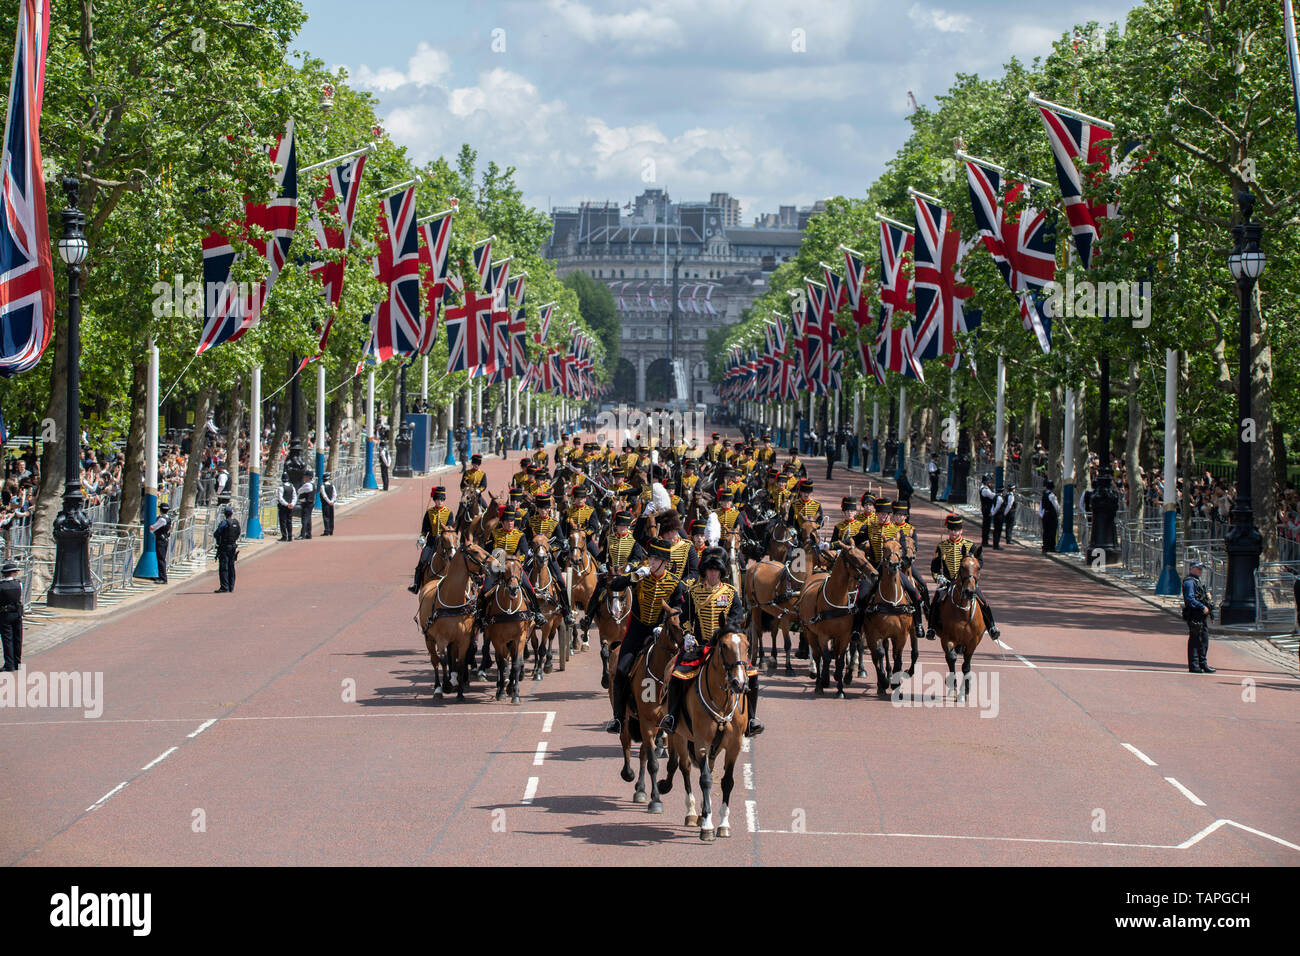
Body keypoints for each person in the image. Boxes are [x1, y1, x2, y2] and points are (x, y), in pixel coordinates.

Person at [656, 547, 763, 744]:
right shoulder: (694, 593)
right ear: (705, 572)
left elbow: (737, 617)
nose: (713, 574)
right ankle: (671, 717)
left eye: (716, 571)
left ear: (721, 573)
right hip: (700, 646)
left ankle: (751, 720)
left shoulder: (730, 593)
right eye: (710, 571)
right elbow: (686, 617)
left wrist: (726, 633)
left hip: (727, 648)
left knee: (752, 676)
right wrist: (688, 634)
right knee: (677, 673)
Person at [603, 538, 688, 735]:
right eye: (650, 558)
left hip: (662, 633)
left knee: (680, 671)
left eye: (656, 560)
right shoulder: (640, 575)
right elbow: (615, 585)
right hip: (637, 630)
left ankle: (677, 715)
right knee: (621, 670)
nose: (651, 562)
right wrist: (632, 577)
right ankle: (618, 717)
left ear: (665, 563)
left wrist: (664, 624)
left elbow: (679, 608)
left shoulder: (675, 583)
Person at [926, 513, 999, 641]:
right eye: (952, 530)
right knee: (936, 601)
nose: (954, 532)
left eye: (957, 530)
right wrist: (939, 578)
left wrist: (972, 575)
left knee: (983, 601)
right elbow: (935, 568)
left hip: (966, 582)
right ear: (948, 530)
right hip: (948, 582)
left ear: (961, 530)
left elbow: (979, 562)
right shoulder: (941, 546)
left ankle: (992, 627)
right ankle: (931, 628)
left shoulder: (970, 546)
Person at [1182, 561, 1215, 673]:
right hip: (1195, 614)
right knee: (1196, 640)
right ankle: (1194, 665)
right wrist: (1202, 607)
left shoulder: (1196, 581)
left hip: (1200, 615)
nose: (1200, 571)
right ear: (1192, 569)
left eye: (1201, 569)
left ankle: (1202, 663)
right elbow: (1190, 599)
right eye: (1198, 569)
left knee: (1203, 640)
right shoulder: (1189, 582)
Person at [0, 560, 22, 671]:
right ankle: (18, 663)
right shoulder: (19, 584)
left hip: (5, 614)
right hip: (17, 614)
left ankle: (9, 664)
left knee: (7, 639)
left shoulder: (2, 586)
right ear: (13, 573)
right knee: (17, 638)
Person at [214, 504, 240, 593]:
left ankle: (224, 587)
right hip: (233, 546)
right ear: (232, 513)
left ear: (225, 514)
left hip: (225, 547)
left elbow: (216, 533)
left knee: (224, 567)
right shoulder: (236, 522)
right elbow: (238, 533)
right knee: (231, 566)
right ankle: (231, 586)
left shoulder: (224, 523)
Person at [150, 503, 173, 584]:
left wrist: (151, 528)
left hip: (161, 540)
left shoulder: (162, 519)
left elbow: (153, 527)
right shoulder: (168, 518)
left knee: (161, 559)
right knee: (161, 558)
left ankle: (163, 578)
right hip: (164, 539)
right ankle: (160, 576)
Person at [1039, 479, 1060, 553]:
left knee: (1046, 531)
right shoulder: (1052, 495)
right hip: (1051, 515)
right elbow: (1056, 506)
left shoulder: (1044, 494)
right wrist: (1058, 513)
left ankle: (1045, 546)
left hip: (1045, 514)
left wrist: (1041, 514)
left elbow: (1041, 506)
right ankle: (1051, 547)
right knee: (1052, 531)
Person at [277, 472, 295, 541]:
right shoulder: (292, 487)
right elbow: (294, 496)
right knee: (289, 521)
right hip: (290, 507)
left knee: (283, 521)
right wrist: (292, 504)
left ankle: (284, 536)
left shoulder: (280, 488)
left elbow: (280, 499)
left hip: (283, 507)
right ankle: (290, 536)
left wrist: (286, 504)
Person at [298, 473, 316, 539]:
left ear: (308, 477)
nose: (304, 478)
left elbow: (299, 491)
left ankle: (302, 534)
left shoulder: (307, 485)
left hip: (306, 503)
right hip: (310, 503)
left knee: (304, 519)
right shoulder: (313, 484)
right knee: (308, 518)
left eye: (305, 476)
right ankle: (308, 534)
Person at [979, 473, 995, 547]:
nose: (990, 483)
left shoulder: (984, 488)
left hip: (986, 508)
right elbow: (992, 496)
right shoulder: (985, 490)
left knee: (987, 525)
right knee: (986, 525)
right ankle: (985, 542)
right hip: (987, 509)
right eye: (989, 482)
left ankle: (985, 540)